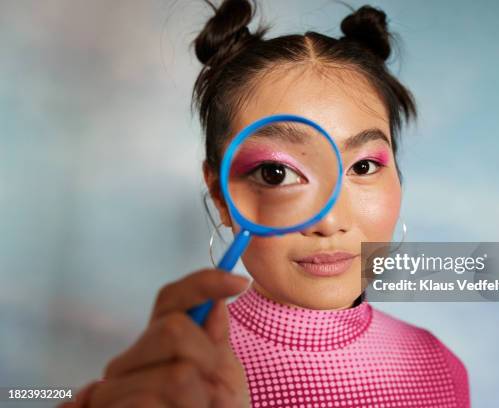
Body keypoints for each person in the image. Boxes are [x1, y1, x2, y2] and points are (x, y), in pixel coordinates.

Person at [61, 0, 470, 406]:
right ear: (221, 195)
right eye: (276, 173)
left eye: (363, 166)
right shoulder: (175, 380)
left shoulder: (441, 367)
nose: (328, 221)